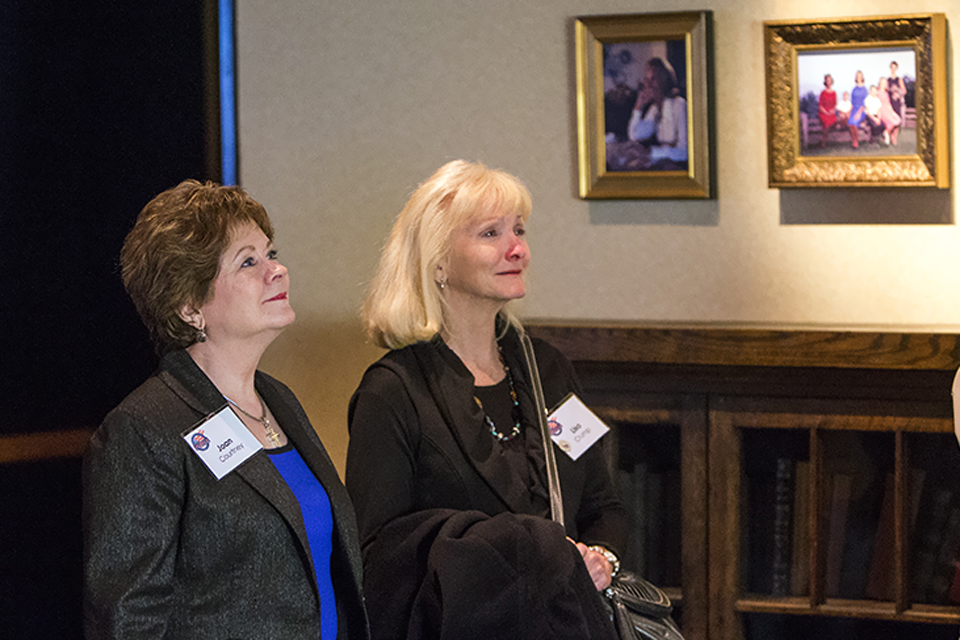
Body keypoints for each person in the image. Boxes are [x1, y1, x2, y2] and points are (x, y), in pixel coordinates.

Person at [346, 160, 626, 640]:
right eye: (490, 233)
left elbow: (605, 504)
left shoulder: (549, 369)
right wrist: (523, 553)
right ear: (437, 261)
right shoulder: (392, 391)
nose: (517, 248)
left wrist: (601, 558)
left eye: (518, 229)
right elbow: (379, 560)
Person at [83, 180, 369, 639]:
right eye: (248, 261)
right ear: (189, 305)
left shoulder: (279, 401)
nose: (277, 271)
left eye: (271, 253)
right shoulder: (144, 429)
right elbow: (127, 621)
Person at [626, 57, 688, 165]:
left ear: (664, 81)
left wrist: (652, 152)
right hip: (663, 164)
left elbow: (684, 153)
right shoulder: (655, 109)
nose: (648, 85)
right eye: (646, 80)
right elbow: (634, 135)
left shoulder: (679, 105)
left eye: (653, 79)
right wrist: (639, 103)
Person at [847, 70, 869, 149]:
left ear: (862, 77)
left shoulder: (864, 89)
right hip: (854, 109)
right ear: (856, 78)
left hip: (861, 110)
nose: (859, 78)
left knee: (854, 122)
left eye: (860, 76)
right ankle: (854, 140)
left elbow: (864, 104)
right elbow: (852, 103)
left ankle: (855, 143)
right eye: (857, 76)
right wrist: (850, 112)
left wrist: (859, 113)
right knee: (850, 123)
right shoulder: (854, 89)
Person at [878, 76, 902, 146]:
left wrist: (892, 112)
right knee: (892, 122)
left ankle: (893, 138)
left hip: (888, 109)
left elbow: (888, 103)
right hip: (881, 109)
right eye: (882, 82)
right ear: (880, 83)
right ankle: (886, 132)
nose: (884, 84)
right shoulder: (877, 92)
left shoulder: (886, 92)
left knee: (898, 120)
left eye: (885, 83)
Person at [817, 74, 838, 147]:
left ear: (831, 81)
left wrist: (832, 110)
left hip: (831, 112)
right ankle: (823, 141)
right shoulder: (823, 92)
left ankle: (825, 138)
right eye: (827, 80)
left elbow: (835, 104)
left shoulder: (834, 93)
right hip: (824, 112)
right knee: (826, 121)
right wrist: (826, 112)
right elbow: (820, 106)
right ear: (825, 82)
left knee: (834, 120)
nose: (828, 82)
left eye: (830, 80)